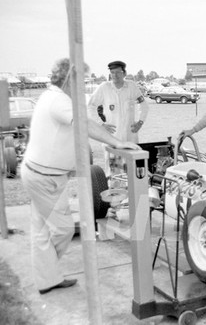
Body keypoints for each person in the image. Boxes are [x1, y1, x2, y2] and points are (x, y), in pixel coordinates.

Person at [20, 58, 140, 294]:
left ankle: (47, 279)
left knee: (42, 230)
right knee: (63, 228)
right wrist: (117, 142)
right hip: (44, 176)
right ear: (68, 79)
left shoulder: (56, 97)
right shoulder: (58, 100)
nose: (83, 84)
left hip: (46, 174)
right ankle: (48, 274)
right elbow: (83, 123)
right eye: (80, 79)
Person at [87, 60, 148, 175]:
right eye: (112, 73)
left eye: (118, 72)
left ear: (124, 73)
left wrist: (140, 122)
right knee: (115, 174)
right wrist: (101, 124)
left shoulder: (131, 87)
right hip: (112, 139)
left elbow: (144, 106)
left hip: (130, 139)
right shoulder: (104, 88)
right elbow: (90, 106)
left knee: (132, 173)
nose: (115, 75)